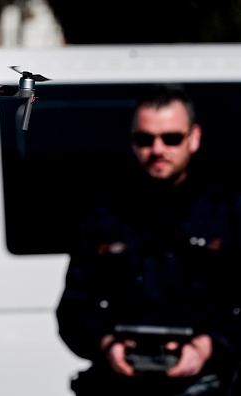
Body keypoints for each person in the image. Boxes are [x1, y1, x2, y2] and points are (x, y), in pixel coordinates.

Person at [55, 83, 241, 396]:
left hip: (209, 385)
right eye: (145, 139)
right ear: (132, 141)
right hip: (122, 387)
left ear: (193, 138)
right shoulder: (104, 218)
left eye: (171, 138)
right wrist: (108, 345)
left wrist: (207, 347)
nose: (157, 149)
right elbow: (73, 312)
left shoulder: (230, 213)